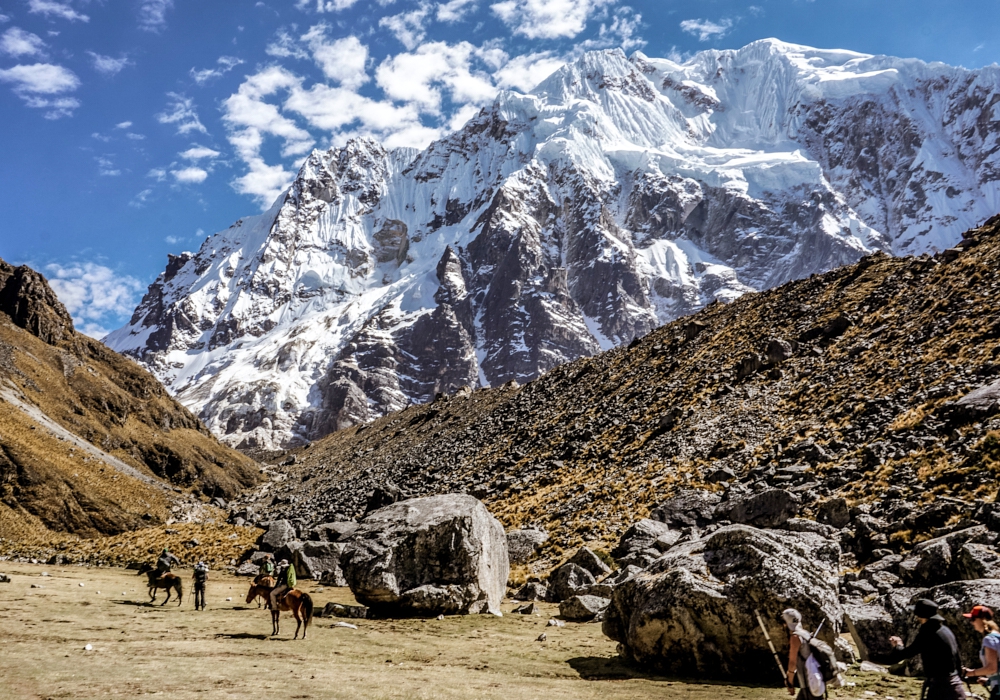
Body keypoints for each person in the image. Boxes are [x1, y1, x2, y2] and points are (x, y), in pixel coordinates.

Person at [871, 599, 966, 700]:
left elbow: (908, 653)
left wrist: (898, 645)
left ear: (920, 616)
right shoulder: (945, 630)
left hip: (941, 688)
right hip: (956, 686)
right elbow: (957, 659)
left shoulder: (928, 632)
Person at [782, 608, 823, 699]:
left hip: (809, 683)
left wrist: (790, 683)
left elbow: (792, 663)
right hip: (815, 679)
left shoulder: (795, 637)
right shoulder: (805, 633)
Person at [962, 605, 1000, 699]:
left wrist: (969, 672)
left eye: (973, 619)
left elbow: (992, 668)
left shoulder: (989, 639)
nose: (971, 622)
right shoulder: (997, 637)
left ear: (982, 619)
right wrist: (989, 680)